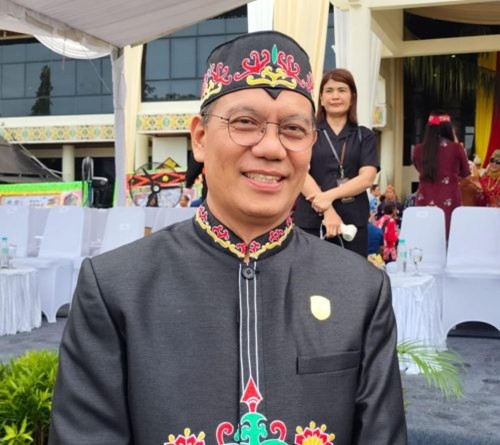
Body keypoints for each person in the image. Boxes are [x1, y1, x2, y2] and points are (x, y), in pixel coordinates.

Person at [49, 31, 406, 445]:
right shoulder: (117, 288)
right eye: (245, 123)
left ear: (310, 145)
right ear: (200, 138)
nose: (272, 148)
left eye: (293, 129)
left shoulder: (360, 289)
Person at [293, 68, 379, 258]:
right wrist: (328, 210)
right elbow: (300, 173)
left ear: (352, 97)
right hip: (311, 222)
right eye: (329, 91)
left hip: (352, 224)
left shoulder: (365, 136)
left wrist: (329, 196)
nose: (335, 96)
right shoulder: (306, 133)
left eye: (342, 90)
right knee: (311, 274)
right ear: (321, 99)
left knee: (352, 274)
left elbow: (367, 178)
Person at [412, 110, 470, 237]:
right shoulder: (456, 148)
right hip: (449, 201)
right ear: (449, 129)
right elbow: (466, 172)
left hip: (424, 201)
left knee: (425, 237)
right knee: (449, 238)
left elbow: (420, 168)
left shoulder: (418, 150)